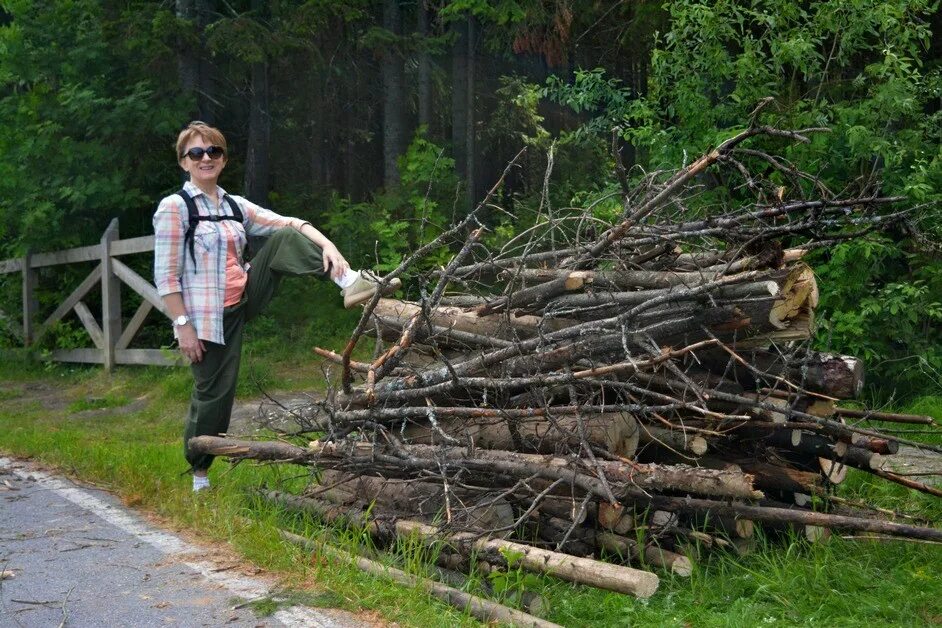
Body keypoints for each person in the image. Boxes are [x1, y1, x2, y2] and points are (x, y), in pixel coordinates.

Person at [153, 121, 399, 492]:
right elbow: (166, 277)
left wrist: (330, 247)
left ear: (223, 159)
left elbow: (291, 223)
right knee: (214, 396)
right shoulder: (175, 208)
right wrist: (182, 326)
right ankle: (200, 473)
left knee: (285, 237)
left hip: (246, 294)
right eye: (197, 153)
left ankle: (349, 282)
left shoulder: (234, 204)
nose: (206, 159)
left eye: (213, 151)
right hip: (207, 318)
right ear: (184, 162)